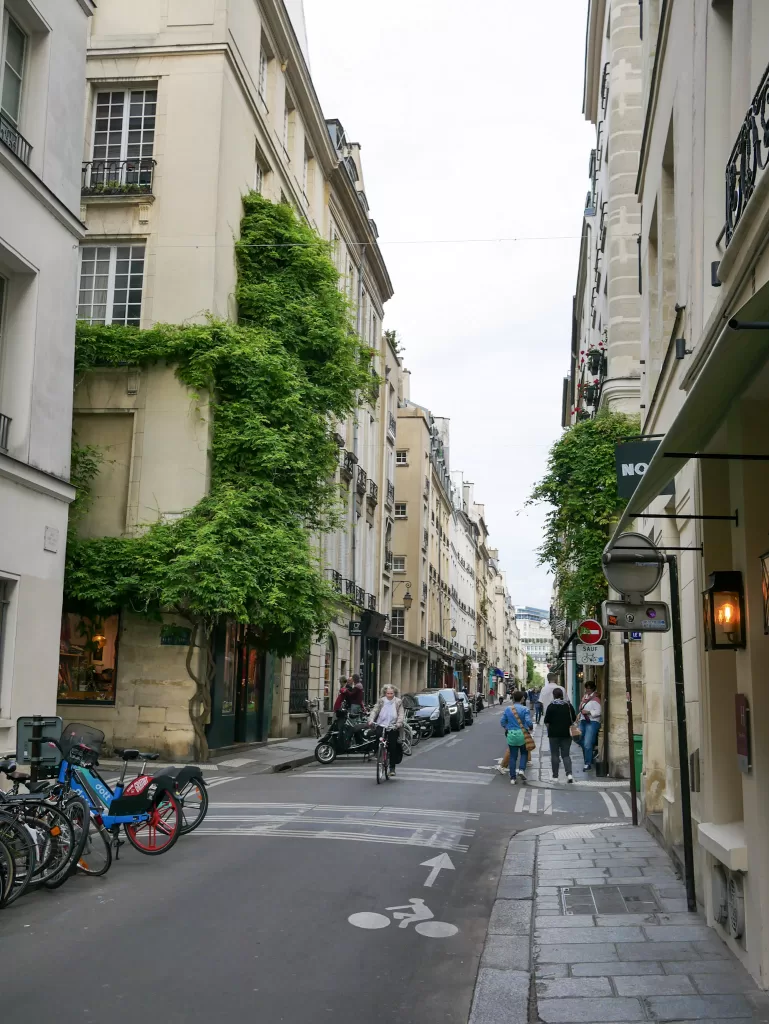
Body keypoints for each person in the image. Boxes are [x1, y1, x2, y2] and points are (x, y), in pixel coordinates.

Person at [368, 684, 405, 776]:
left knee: (393, 746)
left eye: (391, 693)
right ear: (385, 693)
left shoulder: (398, 702)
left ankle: (392, 768)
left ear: (394, 693)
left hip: (393, 726)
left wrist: (399, 723)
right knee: (377, 736)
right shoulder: (381, 701)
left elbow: (401, 714)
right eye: (388, 693)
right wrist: (371, 720)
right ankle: (377, 752)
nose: (389, 695)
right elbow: (375, 711)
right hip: (381, 724)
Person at [543, 686, 577, 783]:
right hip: (567, 733)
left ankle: (555, 776)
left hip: (553, 734)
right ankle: (569, 774)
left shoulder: (551, 706)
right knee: (566, 755)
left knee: (555, 755)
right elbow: (573, 719)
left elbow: (546, 721)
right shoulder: (569, 706)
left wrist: (550, 729)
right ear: (562, 695)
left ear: (553, 696)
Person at [500, 690, 533, 785]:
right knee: (524, 753)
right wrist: (530, 727)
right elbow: (529, 722)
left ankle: (512, 778)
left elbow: (502, 722)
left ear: (513, 698)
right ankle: (521, 770)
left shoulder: (507, 709)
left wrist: (507, 728)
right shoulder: (525, 709)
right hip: (522, 734)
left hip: (511, 734)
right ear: (522, 699)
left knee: (513, 757)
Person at [578, 681, 602, 772]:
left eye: (589, 688)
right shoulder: (585, 697)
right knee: (577, 738)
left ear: (593, 689)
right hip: (583, 720)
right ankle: (591, 752)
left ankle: (587, 763)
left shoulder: (596, 698)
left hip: (592, 722)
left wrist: (588, 712)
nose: (588, 689)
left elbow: (599, 712)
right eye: (586, 688)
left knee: (587, 743)